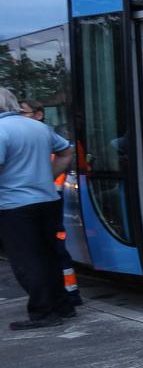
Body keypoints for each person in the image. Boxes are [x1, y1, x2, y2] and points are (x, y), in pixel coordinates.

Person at [0, 86, 75, 329]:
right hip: (48, 200)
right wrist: (46, 176)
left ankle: (43, 312)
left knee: (27, 261)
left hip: (15, 206)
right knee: (50, 255)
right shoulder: (39, 127)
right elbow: (66, 152)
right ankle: (64, 305)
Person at [20, 99, 82, 308]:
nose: (19, 117)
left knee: (53, 252)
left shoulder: (44, 139)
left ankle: (67, 296)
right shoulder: (42, 139)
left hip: (47, 203)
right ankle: (68, 294)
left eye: (23, 112)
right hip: (46, 202)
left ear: (38, 114)